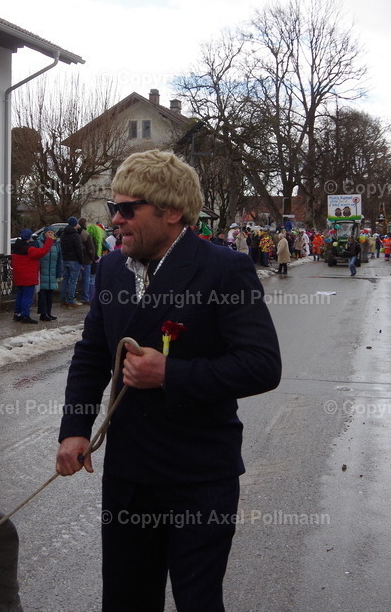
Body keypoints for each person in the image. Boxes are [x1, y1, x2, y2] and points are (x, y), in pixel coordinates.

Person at [55, 150, 281, 612]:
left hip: (199, 475)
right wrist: (74, 428)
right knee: (126, 600)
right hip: (130, 473)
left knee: (198, 601)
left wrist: (169, 374)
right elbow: (92, 354)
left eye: (127, 208)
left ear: (171, 211)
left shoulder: (223, 269)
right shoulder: (111, 268)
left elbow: (262, 364)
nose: (115, 219)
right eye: (113, 207)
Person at [12, 228, 54, 324]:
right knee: (27, 297)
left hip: (19, 276)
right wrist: (49, 240)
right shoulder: (29, 249)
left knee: (20, 295)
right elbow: (43, 251)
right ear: (29, 237)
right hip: (28, 277)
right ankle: (25, 315)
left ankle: (17, 314)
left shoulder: (17, 247)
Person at [36, 229, 62, 322]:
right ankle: (43, 314)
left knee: (50, 293)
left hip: (52, 273)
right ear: (45, 233)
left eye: (52, 232)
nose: (50, 234)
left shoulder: (56, 244)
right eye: (49, 232)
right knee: (43, 293)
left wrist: (59, 273)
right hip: (42, 272)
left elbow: (59, 260)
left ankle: (49, 312)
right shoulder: (39, 243)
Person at [60, 217, 83, 307]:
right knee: (73, 281)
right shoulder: (75, 235)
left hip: (65, 259)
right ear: (75, 224)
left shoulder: (63, 235)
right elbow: (79, 250)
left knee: (65, 280)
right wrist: (81, 261)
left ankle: (63, 300)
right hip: (74, 260)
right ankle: (71, 300)